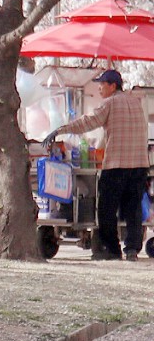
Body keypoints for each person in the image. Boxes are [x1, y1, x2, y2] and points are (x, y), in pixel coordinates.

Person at [47, 68, 149, 260]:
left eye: (102, 84)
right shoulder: (136, 103)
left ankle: (111, 250)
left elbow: (89, 122)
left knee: (106, 209)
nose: (100, 88)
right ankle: (132, 249)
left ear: (112, 86)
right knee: (132, 209)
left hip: (116, 165)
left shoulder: (109, 103)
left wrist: (61, 130)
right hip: (139, 165)